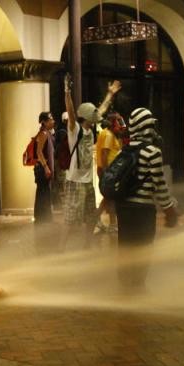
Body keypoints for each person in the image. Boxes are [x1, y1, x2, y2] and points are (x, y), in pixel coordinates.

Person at [117, 108, 178, 288]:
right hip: (143, 211)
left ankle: (125, 285)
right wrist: (169, 209)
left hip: (124, 210)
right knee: (143, 248)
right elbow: (160, 184)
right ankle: (137, 285)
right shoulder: (153, 152)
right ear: (147, 127)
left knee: (126, 247)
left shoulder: (125, 150)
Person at [63, 74, 121, 248]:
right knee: (71, 220)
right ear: (86, 116)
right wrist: (67, 92)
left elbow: (101, 110)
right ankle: (61, 247)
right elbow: (71, 113)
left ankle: (87, 244)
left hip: (87, 181)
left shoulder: (91, 128)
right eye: (93, 113)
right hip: (75, 181)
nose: (98, 114)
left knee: (90, 216)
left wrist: (110, 94)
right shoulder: (75, 130)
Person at [95, 112, 126, 233]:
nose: (120, 123)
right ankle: (108, 222)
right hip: (107, 172)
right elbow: (104, 155)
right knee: (110, 198)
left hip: (109, 172)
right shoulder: (108, 135)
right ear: (113, 122)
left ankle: (108, 222)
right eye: (118, 121)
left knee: (109, 198)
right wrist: (108, 174)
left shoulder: (110, 134)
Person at [33, 112, 55, 224]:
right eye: (50, 119)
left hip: (42, 168)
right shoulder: (44, 133)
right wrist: (46, 167)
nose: (53, 121)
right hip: (42, 169)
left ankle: (42, 217)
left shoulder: (46, 133)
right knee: (43, 192)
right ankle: (43, 218)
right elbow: (39, 151)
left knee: (43, 192)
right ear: (44, 122)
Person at [51, 112, 69, 211]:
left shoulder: (60, 131)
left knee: (61, 183)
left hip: (60, 161)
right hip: (62, 162)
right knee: (62, 183)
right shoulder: (63, 132)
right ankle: (62, 205)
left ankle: (60, 204)